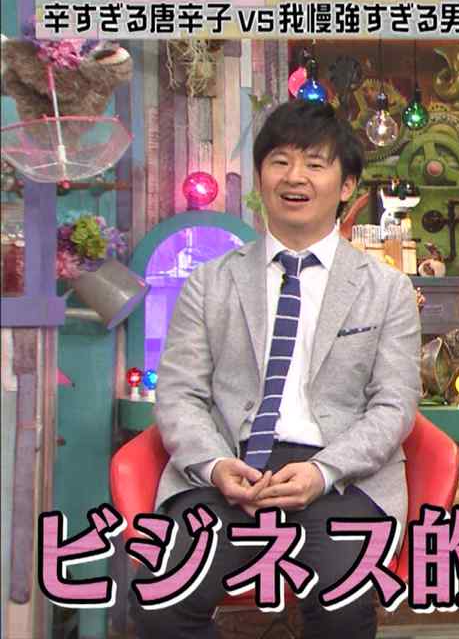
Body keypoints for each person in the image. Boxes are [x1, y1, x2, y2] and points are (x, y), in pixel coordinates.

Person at [134, 99, 422, 639]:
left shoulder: (387, 290)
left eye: (315, 163)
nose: (295, 177)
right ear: (261, 176)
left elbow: (394, 405)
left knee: (343, 605)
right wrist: (215, 465)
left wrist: (323, 471)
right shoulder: (209, 282)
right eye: (280, 161)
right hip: (231, 468)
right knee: (161, 597)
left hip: (340, 477)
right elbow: (180, 394)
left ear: (346, 186)